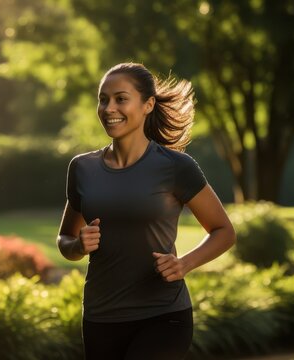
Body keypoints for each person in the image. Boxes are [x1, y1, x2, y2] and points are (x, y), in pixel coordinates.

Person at [57, 62, 236, 360]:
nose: (109, 107)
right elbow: (65, 239)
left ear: (148, 105)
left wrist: (185, 264)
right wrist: (78, 245)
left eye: (121, 98)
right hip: (101, 317)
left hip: (163, 316)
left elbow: (224, 231)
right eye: (103, 99)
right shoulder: (82, 168)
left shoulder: (176, 166)